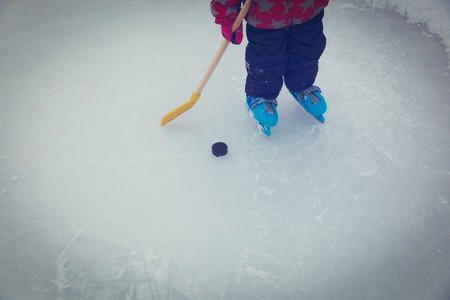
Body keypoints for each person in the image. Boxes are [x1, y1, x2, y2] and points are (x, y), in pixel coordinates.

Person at [210, 0, 329, 136]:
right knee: (265, 60)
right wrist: (227, 15)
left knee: (308, 51)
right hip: (265, 17)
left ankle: (301, 84)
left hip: (308, 11)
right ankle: (261, 93)